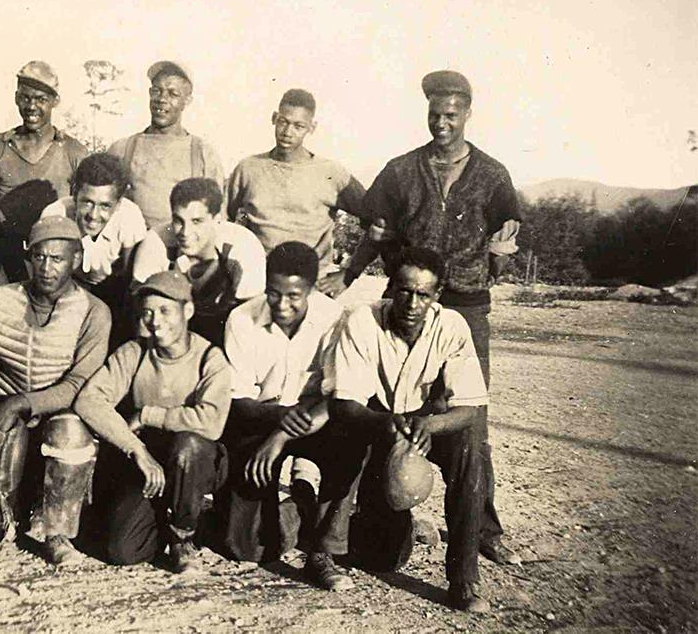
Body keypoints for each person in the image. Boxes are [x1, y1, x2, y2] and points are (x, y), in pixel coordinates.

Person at [345, 70, 522, 565]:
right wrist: (349, 273)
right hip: (407, 300)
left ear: (468, 114)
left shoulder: (492, 174)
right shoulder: (401, 171)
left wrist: (496, 257)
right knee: (391, 404)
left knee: (468, 418)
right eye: (434, 114)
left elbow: (505, 238)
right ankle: (371, 513)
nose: (441, 123)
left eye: (451, 114)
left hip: (466, 302)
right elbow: (375, 231)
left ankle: (482, 528)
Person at [331, 247, 491, 612]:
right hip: (376, 420)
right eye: (404, 291)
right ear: (390, 288)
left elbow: (469, 405)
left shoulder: (450, 325)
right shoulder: (361, 319)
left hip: (424, 421)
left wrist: (431, 425)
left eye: (423, 294)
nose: (412, 303)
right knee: (384, 556)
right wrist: (383, 424)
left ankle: (464, 576)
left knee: (470, 447)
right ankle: (329, 548)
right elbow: (345, 402)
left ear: (437, 295)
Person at [0, 216, 111, 565]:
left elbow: (78, 385)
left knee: (70, 432)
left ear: (75, 260)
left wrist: (23, 403)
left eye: (57, 259)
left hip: (58, 411)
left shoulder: (94, 312)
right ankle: (3, 517)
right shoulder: (2, 298)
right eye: (39, 257)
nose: (46, 267)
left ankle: (57, 532)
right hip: (9, 407)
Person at [218, 242, 365, 591]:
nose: (282, 305)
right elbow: (239, 401)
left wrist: (282, 435)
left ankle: (323, 549)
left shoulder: (335, 320)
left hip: (316, 421)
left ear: (312, 290)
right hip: (261, 418)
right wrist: (279, 424)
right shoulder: (241, 319)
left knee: (351, 438)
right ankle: (300, 504)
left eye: (294, 296)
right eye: (273, 293)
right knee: (248, 548)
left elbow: (338, 396)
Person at [73, 271, 231, 573]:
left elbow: (211, 423)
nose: (155, 321)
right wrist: (136, 450)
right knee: (122, 550)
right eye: (147, 312)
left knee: (189, 446)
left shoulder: (210, 358)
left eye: (165, 311)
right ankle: (164, 518)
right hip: (150, 464)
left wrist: (148, 415)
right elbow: (89, 400)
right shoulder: (135, 352)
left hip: (195, 463)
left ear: (188, 311)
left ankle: (183, 535)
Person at [0, 61, 89, 349]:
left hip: (50, 255)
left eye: (41, 99)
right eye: (25, 97)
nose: (31, 106)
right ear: (15, 97)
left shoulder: (73, 151)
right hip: (2, 251)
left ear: (54, 102)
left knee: (49, 338)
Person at [226, 88, 367, 290]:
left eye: (298, 126)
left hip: (311, 284)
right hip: (257, 280)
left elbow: (376, 218)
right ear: (274, 118)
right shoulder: (248, 168)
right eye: (283, 121)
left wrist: (349, 273)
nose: (287, 132)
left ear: (312, 127)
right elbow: (221, 219)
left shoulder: (332, 173)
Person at [132, 177, 265, 347]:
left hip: (226, 333)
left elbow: (251, 319)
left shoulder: (243, 246)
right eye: (179, 221)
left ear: (217, 218)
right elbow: (143, 320)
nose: (186, 232)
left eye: (197, 221)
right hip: (172, 332)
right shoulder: (157, 240)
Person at [42, 153, 148, 348]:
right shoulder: (56, 214)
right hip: (68, 289)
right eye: (87, 202)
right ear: (74, 194)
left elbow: (131, 279)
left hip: (114, 291)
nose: (93, 215)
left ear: (118, 204)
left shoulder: (129, 216)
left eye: (105, 206)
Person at [108, 61, 224, 228]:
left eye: (173, 94)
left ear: (187, 101)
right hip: (131, 248)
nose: (162, 99)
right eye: (157, 91)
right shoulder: (122, 149)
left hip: (182, 248)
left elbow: (217, 218)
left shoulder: (204, 154)